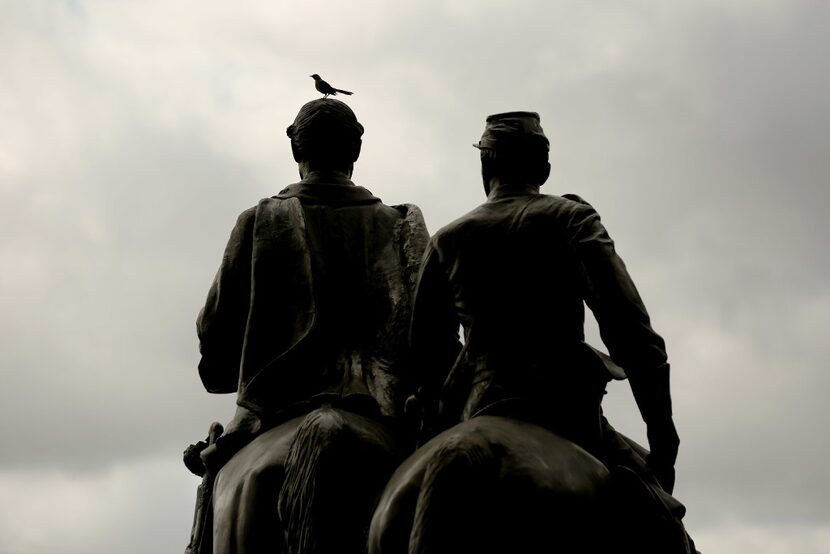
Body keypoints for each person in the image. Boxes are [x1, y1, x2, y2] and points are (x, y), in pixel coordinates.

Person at [409, 111, 695, 552]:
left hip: (478, 404)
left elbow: (426, 355)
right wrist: (662, 429)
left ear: (486, 166)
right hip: (564, 411)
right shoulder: (571, 220)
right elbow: (631, 332)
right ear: (543, 168)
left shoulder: (447, 239)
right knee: (664, 526)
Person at [190, 98, 429, 553]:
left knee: (213, 477)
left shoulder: (258, 221)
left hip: (271, 410)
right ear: (355, 150)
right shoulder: (400, 225)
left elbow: (214, 336)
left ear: (295, 149)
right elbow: (429, 328)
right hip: (384, 410)